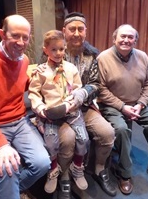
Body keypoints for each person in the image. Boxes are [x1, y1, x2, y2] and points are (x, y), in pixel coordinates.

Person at [0, 14, 50, 199]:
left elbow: (18, 86)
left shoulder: (24, 61)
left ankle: (11, 191)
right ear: (2, 34)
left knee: (42, 163)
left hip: (20, 121)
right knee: (8, 167)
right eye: (15, 36)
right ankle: (11, 192)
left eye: (25, 37)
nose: (21, 42)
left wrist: (36, 80)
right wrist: (0, 145)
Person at [97, 24, 148, 195]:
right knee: (121, 129)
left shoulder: (142, 56)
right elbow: (100, 89)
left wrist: (140, 104)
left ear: (135, 40)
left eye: (130, 37)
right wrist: (122, 107)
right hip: (114, 106)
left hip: (137, 104)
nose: (126, 40)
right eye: (122, 36)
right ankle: (124, 174)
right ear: (114, 39)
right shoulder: (103, 58)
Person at [39, 12, 116, 198]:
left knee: (107, 132)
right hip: (59, 109)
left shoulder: (92, 54)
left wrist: (83, 92)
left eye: (80, 29)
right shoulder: (48, 54)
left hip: (84, 107)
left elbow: (97, 84)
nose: (76, 33)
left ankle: (99, 170)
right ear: (64, 31)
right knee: (68, 139)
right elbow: (41, 85)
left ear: (85, 31)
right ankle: (64, 176)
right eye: (72, 29)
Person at [29, 30, 89, 194]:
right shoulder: (41, 71)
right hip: (51, 114)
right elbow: (33, 93)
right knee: (50, 143)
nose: (58, 53)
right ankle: (53, 170)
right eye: (54, 49)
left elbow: (78, 88)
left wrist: (72, 102)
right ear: (45, 50)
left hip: (71, 111)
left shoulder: (71, 69)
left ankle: (77, 167)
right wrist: (40, 109)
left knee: (83, 138)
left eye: (61, 49)